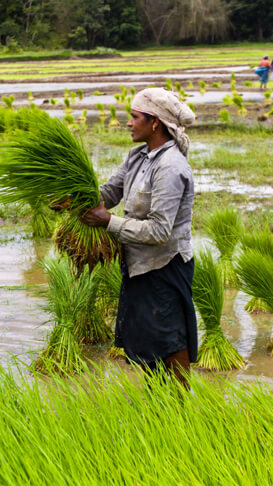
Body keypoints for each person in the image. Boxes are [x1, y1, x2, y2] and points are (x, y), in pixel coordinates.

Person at [80, 88, 197, 388]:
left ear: (154, 122)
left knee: (171, 341)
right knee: (149, 343)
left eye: (134, 117)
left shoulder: (170, 167)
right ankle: (160, 405)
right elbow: (109, 193)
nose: (129, 123)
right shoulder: (138, 156)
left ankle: (183, 405)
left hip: (165, 267)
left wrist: (108, 222)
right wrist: (76, 197)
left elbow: (160, 230)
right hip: (138, 265)